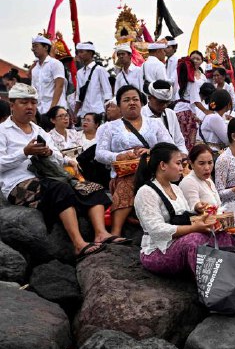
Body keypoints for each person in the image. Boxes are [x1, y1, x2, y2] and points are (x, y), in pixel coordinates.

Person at [0, 83, 117, 260]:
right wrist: (24, 152)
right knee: (60, 189)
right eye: (24, 102)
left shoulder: (39, 130)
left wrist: (50, 153)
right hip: (18, 185)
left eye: (33, 103)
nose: (30, 107)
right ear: (12, 105)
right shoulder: (2, 131)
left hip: (48, 177)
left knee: (92, 187)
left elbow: (56, 155)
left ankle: (101, 233)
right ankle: (78, 244)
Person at [134, 142, 235, 276]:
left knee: (222, 235)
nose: (182, 168)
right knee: (194, 240)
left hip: (179, 241)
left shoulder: (176, 188)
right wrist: (194, 228)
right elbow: (156, 230)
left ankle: (230, 277)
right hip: (158, 250)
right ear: (163, 165)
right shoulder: (146, 192)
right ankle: (211, 284)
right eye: (178, 163)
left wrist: (200, 213)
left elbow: (186, 217)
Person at [96, 85, 173, 238]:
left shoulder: (155, 123)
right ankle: (116, 232)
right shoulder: (109, 127)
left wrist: (150, 152)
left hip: (153, 170)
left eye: (135, 99)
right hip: (124, 174)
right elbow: (99, 154)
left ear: (142, 103)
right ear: (119, 105)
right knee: (130, 180)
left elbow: (170, 147)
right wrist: (121, 156)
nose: (132, 103)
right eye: (126, 100)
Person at [142, 79, 188, 155]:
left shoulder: (171, 113)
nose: (164, 106)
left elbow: (179, 141)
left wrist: (183, 154)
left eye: (167, 102)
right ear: (149, 98)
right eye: (160, 102)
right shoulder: (141, 115)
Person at [179, 144, 224, 213]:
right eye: (201, 163)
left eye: (210, 162)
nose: (207, 168)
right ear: (191, 164)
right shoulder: (189, 182)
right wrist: (197, 208)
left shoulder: (209, 180)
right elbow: (192, 211)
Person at [74, 42, 112, 117]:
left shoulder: (99, 70)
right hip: (84, 113)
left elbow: (107, 92)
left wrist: (107, 112)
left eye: (82, 52)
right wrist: (75, 113)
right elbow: (79, 95)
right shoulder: (79, 73)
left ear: (90, 53)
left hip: (98, 111)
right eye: (78, 52)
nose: (79, 55)